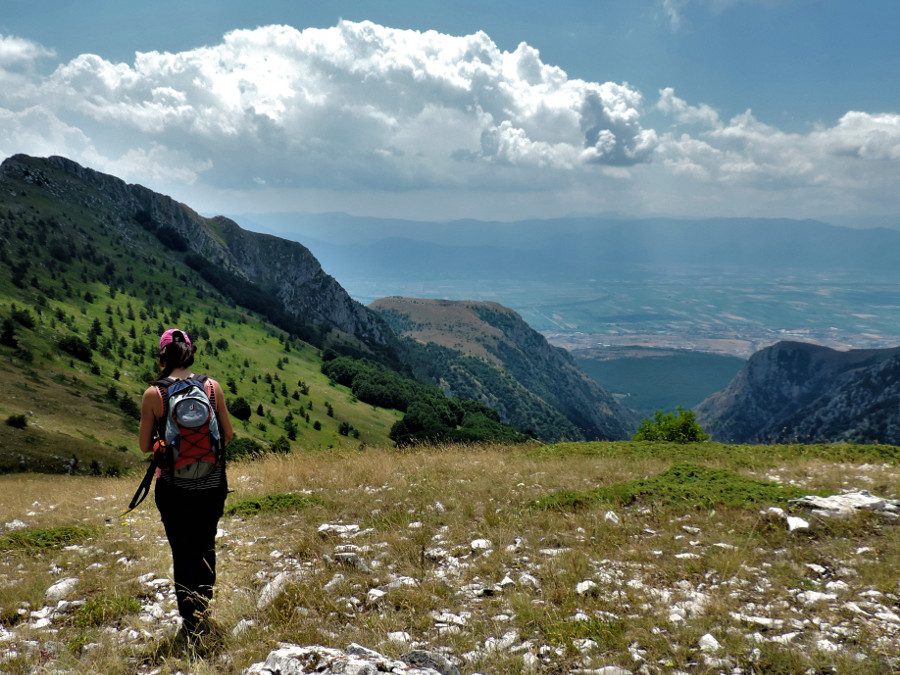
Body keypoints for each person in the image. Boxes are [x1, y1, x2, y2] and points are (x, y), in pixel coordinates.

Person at [138, 328, 233, 649]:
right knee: (205, 545)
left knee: (182, 550)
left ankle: (189, 621)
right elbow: (228, 435)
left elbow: (142, 445)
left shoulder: (155, 394)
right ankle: (203, 609)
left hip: (173, 487)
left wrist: (166, 445)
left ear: (163, 356)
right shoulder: (211, 387)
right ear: (190, 352)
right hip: (212, 483)